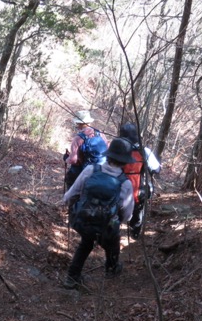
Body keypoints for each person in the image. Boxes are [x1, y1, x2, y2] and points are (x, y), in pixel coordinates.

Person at [62, 137, 136, 289]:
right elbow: (127, 214)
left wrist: (70, 206)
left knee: (85, 243)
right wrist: (117, 221)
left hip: (84, 221)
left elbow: (70, 194)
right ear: (125, 162)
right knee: (113, 243)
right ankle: (112, 268)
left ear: (108, 156)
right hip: (106, 226)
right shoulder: (125, 183)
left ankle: (71, 278)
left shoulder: (91, 170)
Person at [118, 123, 161, 239]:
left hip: (118, 189)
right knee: (139, 207)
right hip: (137, 190)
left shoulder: (116, 149)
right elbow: (156, 169)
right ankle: (135, 231)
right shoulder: (144, 151)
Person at [64, 110, 108, 189]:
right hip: (103, 168)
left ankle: (72, 198)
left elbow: (73, 160)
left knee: (70, 178)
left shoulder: (78, 138)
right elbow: (107, 148)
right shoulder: (100, 134)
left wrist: (66, 158)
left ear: (79, 123)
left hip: (86, 170)